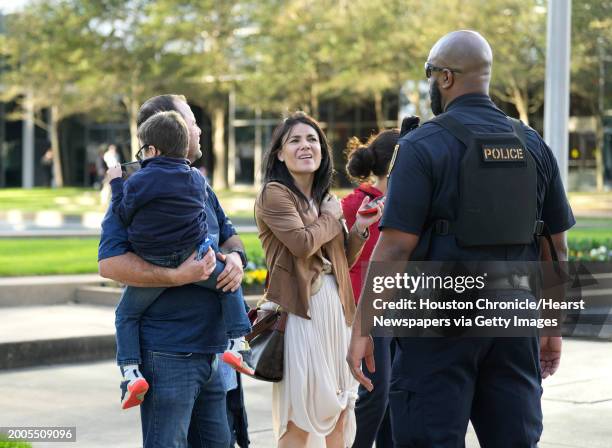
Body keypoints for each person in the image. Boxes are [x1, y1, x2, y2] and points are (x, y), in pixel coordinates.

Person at [347, 30, 575, 448]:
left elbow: (395, 247)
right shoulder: (534, 145)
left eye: (430, 74)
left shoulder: (420, 146)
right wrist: (551, 328)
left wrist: (364, 327)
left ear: (446, 78)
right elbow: (555, 249)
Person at [98, 94, 249, 448]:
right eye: (191, 121)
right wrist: (175, 276)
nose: (198, 129)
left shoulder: (197, 181)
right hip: (169, 356)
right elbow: (109, 263)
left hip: (215, 354)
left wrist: (237, 261)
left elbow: (230, 236)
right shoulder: (137, 185)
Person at [255, 111, 384, 448]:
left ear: (323, 151)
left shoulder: (324, 199)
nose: (305, 146)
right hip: (301, 316)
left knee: (341, 414)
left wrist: (359, 228)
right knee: (299, 418)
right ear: (280, 154)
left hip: (336, 315)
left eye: (312, 139)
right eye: (294, 140)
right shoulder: (275, 194)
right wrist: (331, 216)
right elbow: (301, 243)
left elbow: (342, 258)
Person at [341, 129, 397, 448]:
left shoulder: (408, 202)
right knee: (376, 393)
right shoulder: (354, 203)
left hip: (400, 307)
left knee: (393, 398)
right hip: (368, 309)